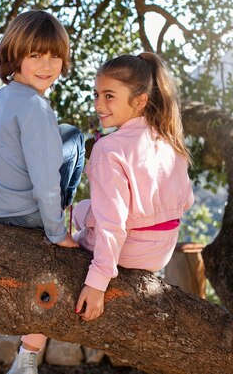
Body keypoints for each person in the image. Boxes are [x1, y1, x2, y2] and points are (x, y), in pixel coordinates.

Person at [0, 10, 85, 374]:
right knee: (75, 138)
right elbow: (46, 179)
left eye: (54, 56)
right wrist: (56, 232)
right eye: (35, 55)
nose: (47, 65)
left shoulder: (6, 96)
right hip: (22, 216)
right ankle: (27, 358)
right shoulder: (36, 108)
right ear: (15, 55)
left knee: (65, 133)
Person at [73, 52, 194, 323]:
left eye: (109, 96)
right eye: (96, 95)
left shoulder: (109, 148)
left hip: (130, 250)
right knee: (83, 211)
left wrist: (97, 282)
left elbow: (112, 224)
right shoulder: (170, 142)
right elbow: (186, 201)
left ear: (140, 101)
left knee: (71, 221)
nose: (98, 104)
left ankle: (28, 350)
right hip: (161, 251)